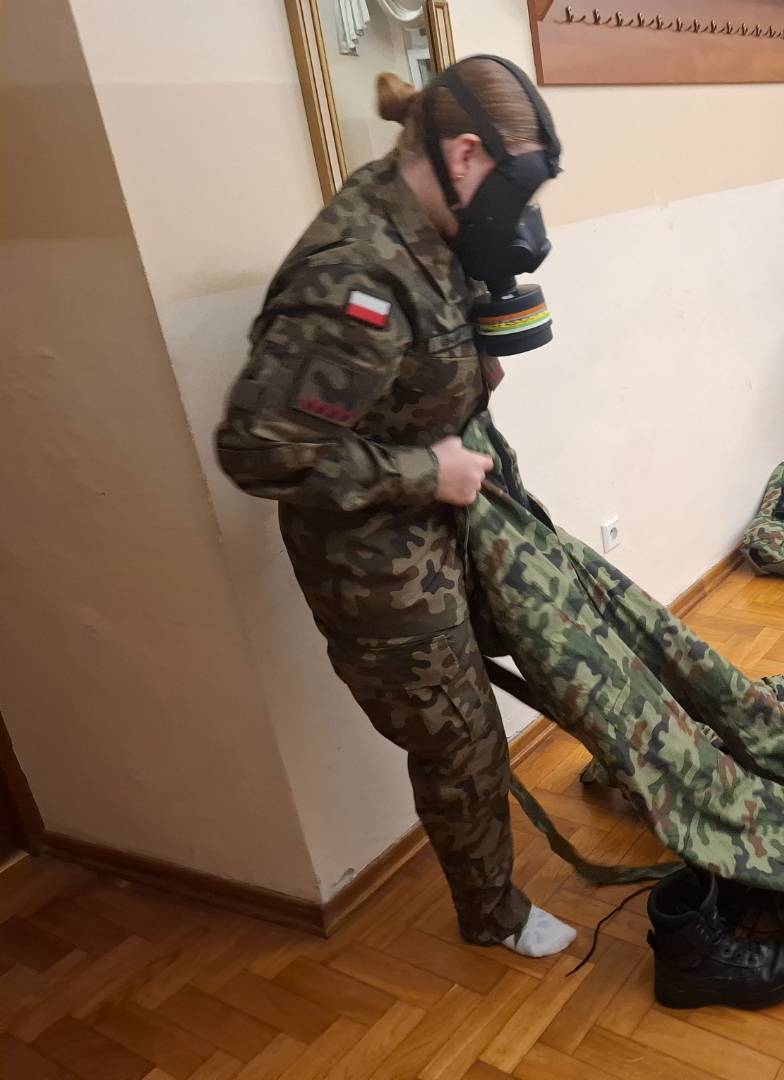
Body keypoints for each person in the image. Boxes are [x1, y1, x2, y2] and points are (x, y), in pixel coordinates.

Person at [215, 56, 575, 959]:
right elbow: (259, 449)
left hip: (462, 511)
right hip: (380, 561)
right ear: (464, 155)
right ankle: (492, 917)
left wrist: (475, 372)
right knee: (460, 740)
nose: (521, 212)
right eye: (516, 186)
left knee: (563, 641)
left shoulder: (431, 225)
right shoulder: (353, 280)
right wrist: (423, 472)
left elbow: (409, 374)